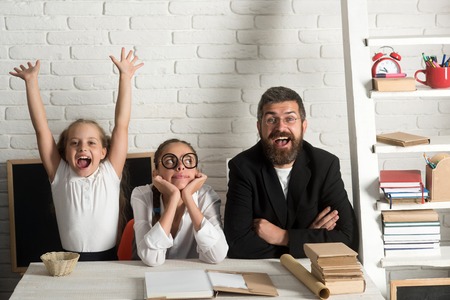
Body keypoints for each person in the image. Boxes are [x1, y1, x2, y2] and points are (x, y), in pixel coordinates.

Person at [10, 48, 144, 261]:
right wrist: (31, 82)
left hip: (109, 259)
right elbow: (42, 130)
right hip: (69, 261)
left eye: (91, 143)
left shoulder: (109, 173)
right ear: (64, 152)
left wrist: (125, 77)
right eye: (75, 143)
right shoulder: (60, 175)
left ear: (103, 152)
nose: (83, 148)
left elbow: (122, 125)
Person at [224, 86, 359, 259]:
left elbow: (348, 240)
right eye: (271, 120)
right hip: (262, 272)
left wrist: (283, 237)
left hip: (314, 271)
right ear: (259, 128)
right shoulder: (243, 167)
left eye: (290, 119)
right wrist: (307, 241)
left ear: (303, 126)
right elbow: (237, 245)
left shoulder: (325, 165)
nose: (281, 127)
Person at [131, 139, 228, 266]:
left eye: (188, 161)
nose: (180, 166)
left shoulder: (206, 196)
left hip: (193, 274)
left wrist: (187, 197)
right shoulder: (141, 195)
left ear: (196, 172)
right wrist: (174, 198)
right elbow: (151, 259)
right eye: (170, 161)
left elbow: (217, 255)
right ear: (156, 173)